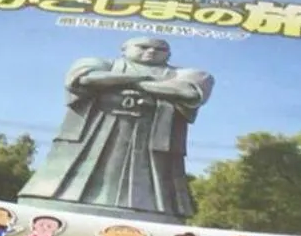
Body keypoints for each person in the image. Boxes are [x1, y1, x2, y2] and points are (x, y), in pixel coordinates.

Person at [16, 36, 213, 220]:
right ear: (124, 50)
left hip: (153, 138)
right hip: (94, 129)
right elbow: (83, 79)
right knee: (68, 177)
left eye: (160, 49)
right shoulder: (99, 62)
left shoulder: (187, 73)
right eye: (143, 47)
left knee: (157, 191)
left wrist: (119, 82)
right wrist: (144, 80)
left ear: (168, 55)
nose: (152, 51)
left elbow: (187, 92)